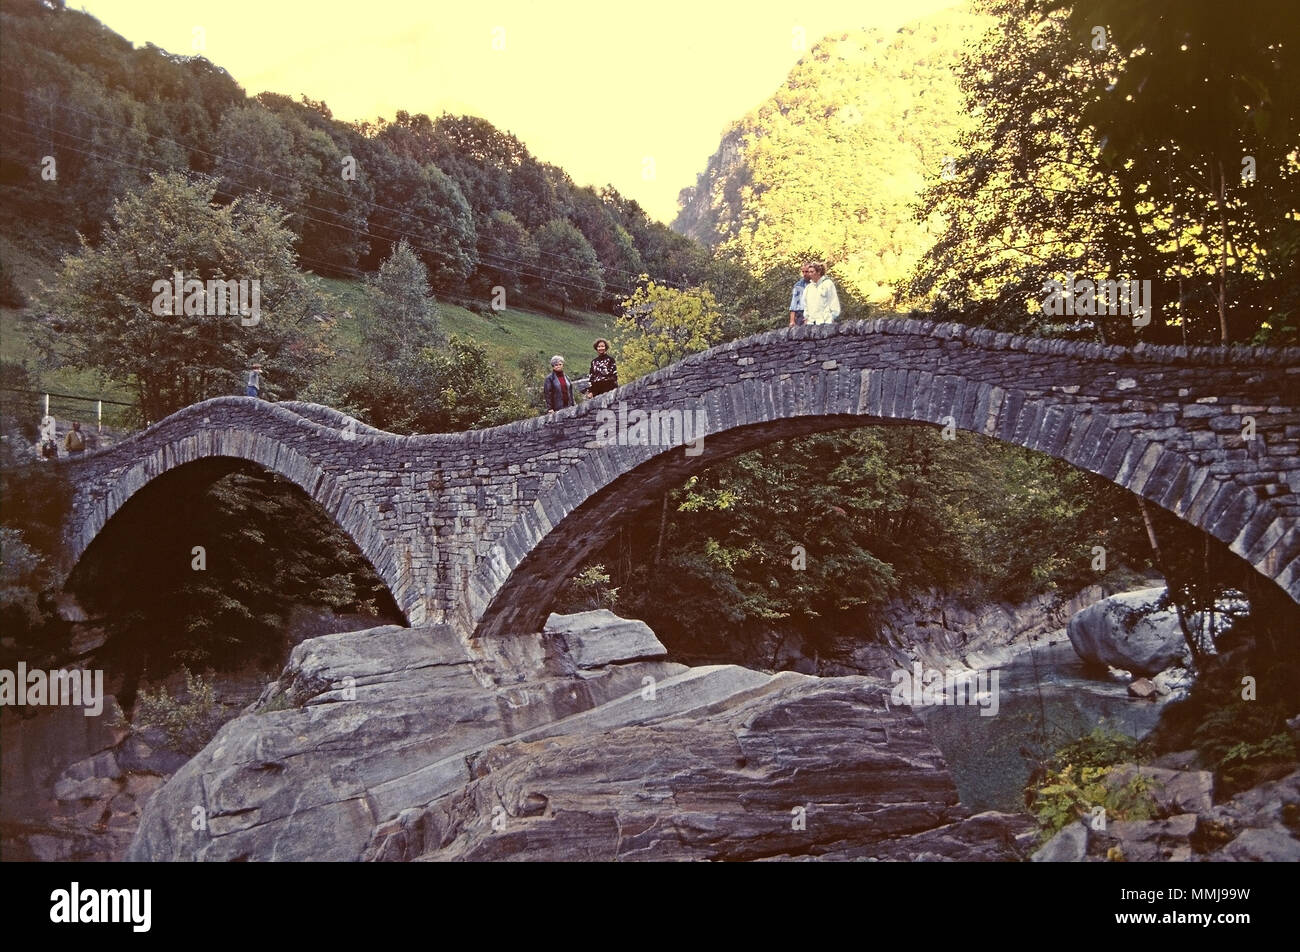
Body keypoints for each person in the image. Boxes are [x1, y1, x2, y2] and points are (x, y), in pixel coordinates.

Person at [803, 261, 841, 325]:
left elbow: (834, 301)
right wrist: (806, 317)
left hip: (825, 322)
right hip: (811, 323)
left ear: (818, 272)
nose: (810, 274)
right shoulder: (808, 288)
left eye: (812, 272)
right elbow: (805, 305)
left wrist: (832, 317)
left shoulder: (828, 284)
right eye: (809, 272)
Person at [789, 262, 813, 326]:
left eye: (806, 272)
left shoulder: (816, 284)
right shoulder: (798, 285)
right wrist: (792, 320)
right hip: (801, 314)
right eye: (803, 272)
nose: (804, 274)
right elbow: (794, 303)